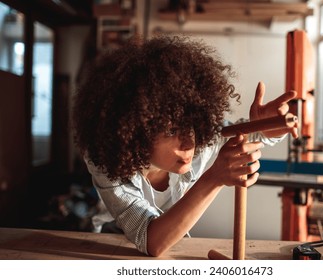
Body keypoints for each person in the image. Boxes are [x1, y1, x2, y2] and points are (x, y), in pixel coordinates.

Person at [72, 35, 298, 257]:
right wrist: (214, 178)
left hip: (173, 243)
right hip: (110, 245)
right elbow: (151, 241)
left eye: (191, 125)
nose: (190, 142)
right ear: (134, 131)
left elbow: (243, 131)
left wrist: (267, 126)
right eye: (171, 131)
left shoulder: (201, 138)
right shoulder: (106, 162)